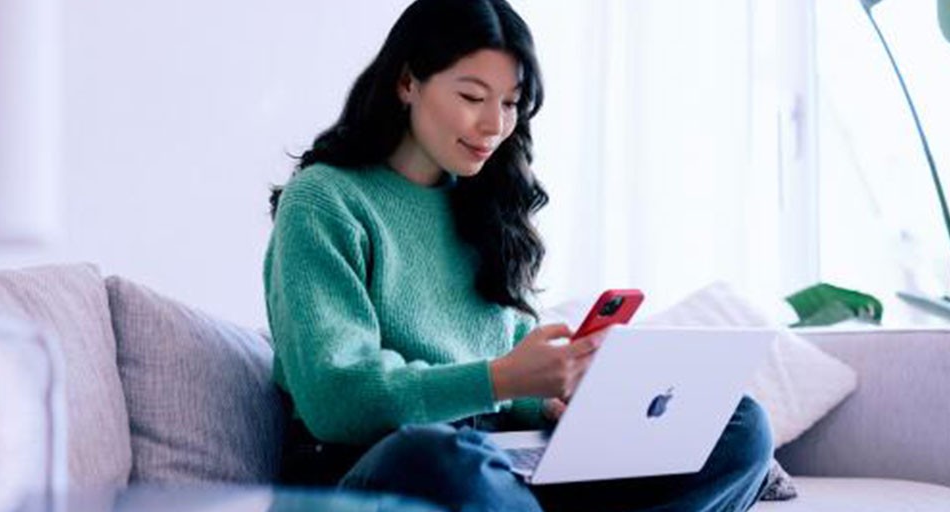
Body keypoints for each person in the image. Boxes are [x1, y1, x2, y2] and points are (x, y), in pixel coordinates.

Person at [263, 0, 773, 510]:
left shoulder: (487, 204)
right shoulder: (325, 201)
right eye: (472, 96)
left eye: (511, 103)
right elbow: (337, 397)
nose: (494, 124)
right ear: (406, 82)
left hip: (498, 464)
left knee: (740, 424)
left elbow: (516, 377)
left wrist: (562, 392)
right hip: (379, 462)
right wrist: (503, 378)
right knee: (433, 454)